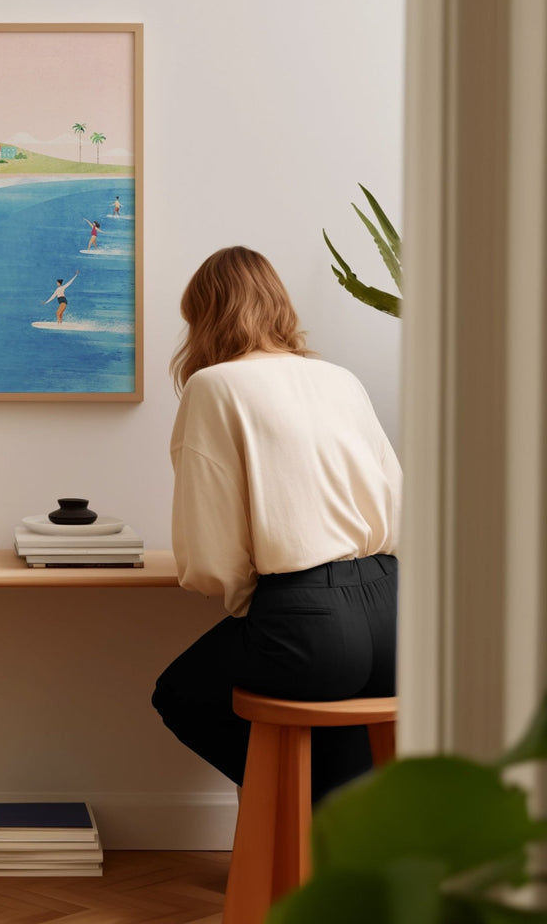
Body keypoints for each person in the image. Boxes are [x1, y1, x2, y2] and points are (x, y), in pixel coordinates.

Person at [151, 246, 401, 804]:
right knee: (340, 722)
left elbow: (210, 555)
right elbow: (396, 496)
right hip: (396, 616)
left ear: (205, 317)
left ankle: (287, 818)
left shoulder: (215, 386)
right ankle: (328, 848)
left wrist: (250, 600)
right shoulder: (340, 379)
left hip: (310, 622)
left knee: (181, 694)